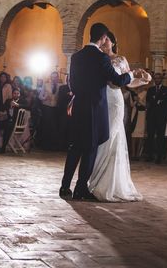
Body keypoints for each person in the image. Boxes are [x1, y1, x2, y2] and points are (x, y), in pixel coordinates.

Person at [60, 23, 144, 201]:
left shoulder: (76, 56)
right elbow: (118, 80)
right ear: (103, 38)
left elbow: (72, 84)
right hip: (95, 109)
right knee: (90, 149)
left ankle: (64, 187)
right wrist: (132, 74)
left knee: (75, 148)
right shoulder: (101, 58)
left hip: (79, 107)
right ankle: (80, 189)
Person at [87, 31, 149, 202]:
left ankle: (108, 183)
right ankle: (95, 179)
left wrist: (143, 79)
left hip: (114, 101)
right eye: (103, 38)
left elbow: (127, 81)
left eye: (108, 39)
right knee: (99, 137)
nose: (105, 41)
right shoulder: (98, 58)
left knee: (112, 136)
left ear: (113, 42)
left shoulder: (120, 59)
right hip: (99, 100)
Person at [145, 72, 167, 163]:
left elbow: (166, 102)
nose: (157, 80)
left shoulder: (166, 89)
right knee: (150, 136)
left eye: (158, 78)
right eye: (155, 78)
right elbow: (149, 101)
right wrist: (157, 101)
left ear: (161, 79)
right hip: (151, 116)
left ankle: (159, 156)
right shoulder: (150, 89)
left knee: (160, 137)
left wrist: (156, 101)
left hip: (161, 116)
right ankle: (150, 155)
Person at [0, 87, 23, 153]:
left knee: (8, 126)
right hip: (7, 120)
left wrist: (18, 105)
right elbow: (2, 108)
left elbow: (28, 106)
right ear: (12, 94)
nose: (16, 95)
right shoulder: (8, 100)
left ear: (19, 94)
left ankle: (3, 148)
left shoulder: (22, 101)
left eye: (17, 93)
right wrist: (3, 111)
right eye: (14, 93)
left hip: (16, 122)